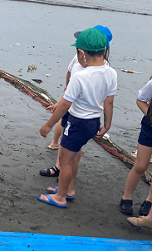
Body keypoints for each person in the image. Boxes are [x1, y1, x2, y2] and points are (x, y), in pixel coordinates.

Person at [38, 28, 116, 208]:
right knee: (73, 157)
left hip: (77, 123)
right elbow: (109, 103)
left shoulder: (80, 76)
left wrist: (49, 125)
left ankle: (60, 197)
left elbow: (65, 104)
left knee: (65, 161)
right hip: (93, 122)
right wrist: (107, 125)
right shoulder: (111, 73)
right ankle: (69, 190)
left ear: (82, 52)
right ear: (104, 50)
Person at [119, 78, 152, 216]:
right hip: (149, 127)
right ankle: (126, 197)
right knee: (141, 166)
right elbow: (140, 100)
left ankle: (149, 201)